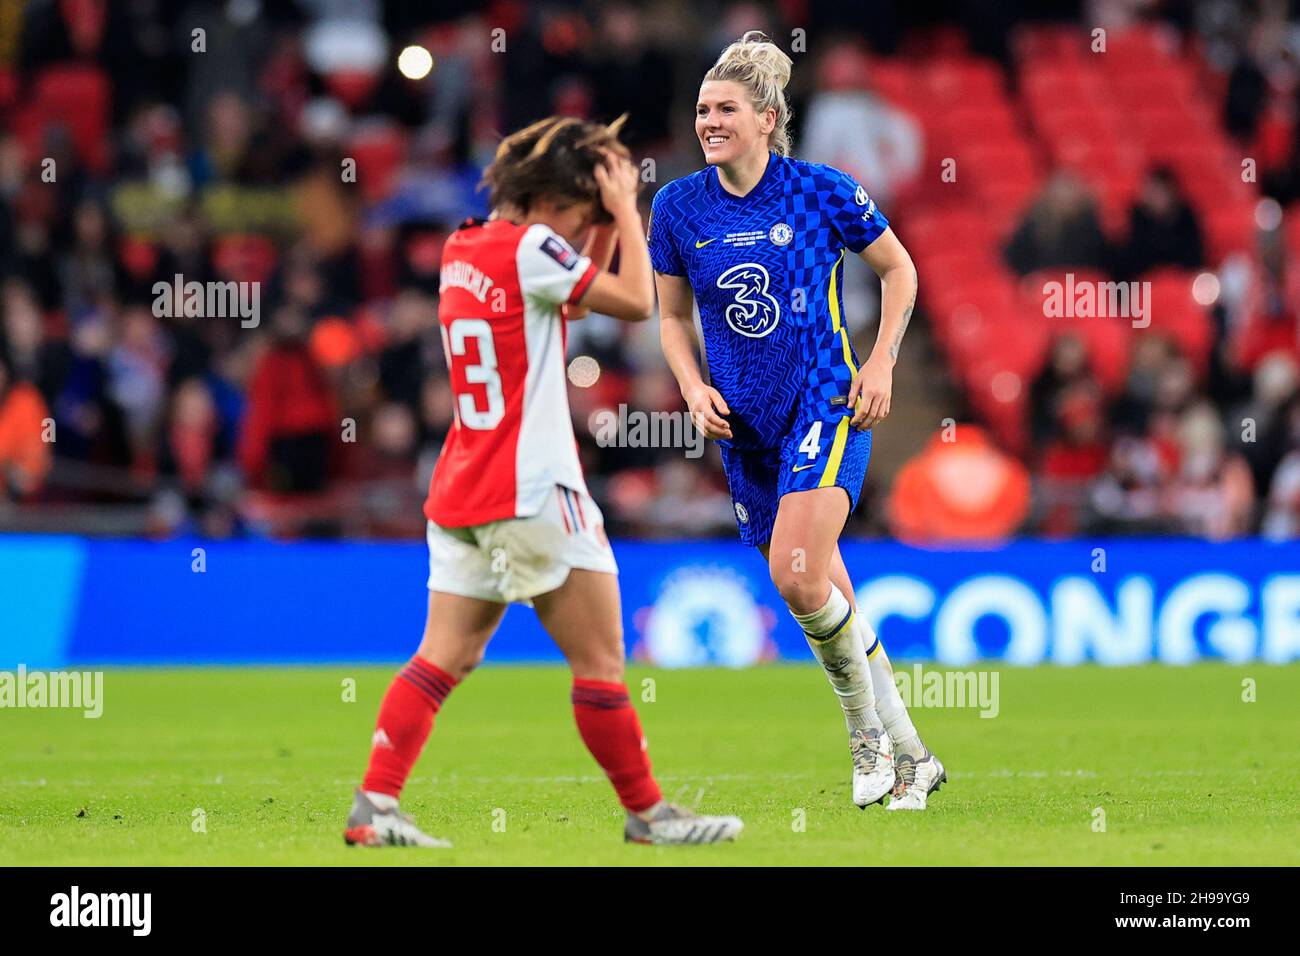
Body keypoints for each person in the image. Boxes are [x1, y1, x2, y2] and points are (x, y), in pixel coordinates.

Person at [344, 115, 743, 848]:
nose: (582, 226)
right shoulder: (532, 248)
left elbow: (576, 292)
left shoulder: (464, 246)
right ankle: (651, 816)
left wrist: (586, 222)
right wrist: (626, 210)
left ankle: (376, 806)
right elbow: (632, 301)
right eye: (578, 213)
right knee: (600, 663)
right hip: (532, 489)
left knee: (444, 658)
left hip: (463, 489)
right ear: (551, 205)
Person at [651, 32, 942, 811]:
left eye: (726, 110)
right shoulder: (676, 206)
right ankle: (914, 754)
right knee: (820, 589)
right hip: (743, 425)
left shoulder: (821, 190)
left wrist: (880, 362)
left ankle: (866, 738)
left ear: (768, 117)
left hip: (825, 399)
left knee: (797, 573)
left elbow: (899, 268)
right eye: (703, 109)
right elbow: (671, 315)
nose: (709, 121)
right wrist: (688, 383)